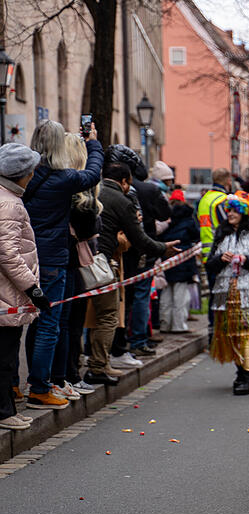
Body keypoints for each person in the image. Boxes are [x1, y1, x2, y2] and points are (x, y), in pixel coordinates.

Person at [22, 120, 103, 410]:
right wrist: (93, 142)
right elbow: (92, 174)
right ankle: (40, 387)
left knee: (29, 323)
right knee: (49, 325)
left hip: (24, 259)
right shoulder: (63, 179)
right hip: (52, 260)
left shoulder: (24, 177)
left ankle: (27, 384)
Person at [86, 162, 179, 386]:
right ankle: (98, 366)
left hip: (85, 258)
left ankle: (98, 362)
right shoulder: (122, 200)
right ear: (125, 181)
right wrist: (162, 248)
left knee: (87, 316)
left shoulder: (94, 192)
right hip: (104, 261)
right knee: (108, 315)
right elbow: (139, 238)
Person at [206, 191, 249, 395]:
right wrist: (221, 259)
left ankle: (248, 377)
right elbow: (209, 264)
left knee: (247, 334)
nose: (230, 213)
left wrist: (246, 258)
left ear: (245, 212)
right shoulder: (221, 232)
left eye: (235, 210)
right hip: (226, 295)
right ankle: (241, 372)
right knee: (232, 336)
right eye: (228, 210)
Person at [0, 144, 48, 427]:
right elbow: (7, 253)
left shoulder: (8, 198)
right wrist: (33, 289)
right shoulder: (9, 203)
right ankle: (4, 412)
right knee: (5, 356)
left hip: (8, 293)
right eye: (30, 171)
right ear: (21, 174)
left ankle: (8, 408)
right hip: (8, 294)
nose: (32, 176)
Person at [158, 190, 199, 333]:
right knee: (180, 294)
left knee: (166, 293)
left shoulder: (165, 217)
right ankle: (178, 325)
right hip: (183, 260)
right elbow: (196, 236)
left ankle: (164, 324)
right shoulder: (189, 218)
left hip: (166, 258)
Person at [198, 168, 232, 261]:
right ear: (228, 181)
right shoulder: (223, 199)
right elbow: (229, 226)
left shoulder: (204, 199)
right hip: (221, 254)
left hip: (206, 253)